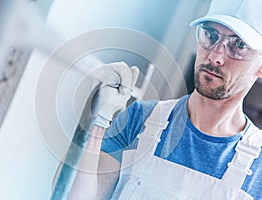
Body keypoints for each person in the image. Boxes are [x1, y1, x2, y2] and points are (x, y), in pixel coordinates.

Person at [53, 0, 262, 199]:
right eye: (211, 35)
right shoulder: (140, 119)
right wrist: (97, 120)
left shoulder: (259, 164)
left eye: (239, 45)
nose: (215, 56)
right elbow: (72, 196)